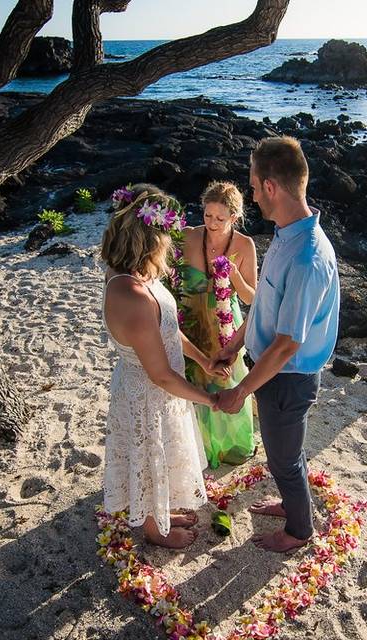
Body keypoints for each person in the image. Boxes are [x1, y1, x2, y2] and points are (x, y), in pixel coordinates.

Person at [215, 137, 340, 553]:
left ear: (271, 187)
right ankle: (291, 503)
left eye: (252, 187)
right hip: (270, 370)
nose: (250, 195)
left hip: (288, 378)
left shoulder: (307, 256)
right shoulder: (285, 234)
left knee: (285, 460)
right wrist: (236, 343)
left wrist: (240, 389)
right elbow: (266, 303)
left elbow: (287, 344)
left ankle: (299, 531)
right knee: (281, 453)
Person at [101, 183, 226, 549]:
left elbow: (168, 333)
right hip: (148, 394)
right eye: (166, 238)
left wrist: (203, 359)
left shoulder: (141, 277)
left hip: (162, 390)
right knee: (150, 455)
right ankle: (154, 530)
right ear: (150, 240)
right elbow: (159, 373)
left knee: (162, 454)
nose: (171, 245)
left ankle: (161, 510)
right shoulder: (132, 296)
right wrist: (212, 400)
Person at [178, 181, 258, 468]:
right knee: (195, 380)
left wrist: (234, 276)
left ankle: (230, 447)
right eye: (207, 215)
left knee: (228, 380)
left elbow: (252, 297)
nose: (212, 223)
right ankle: (199, 447)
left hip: (227, 325)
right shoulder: (189, 237)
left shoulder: (245, 245)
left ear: (234, 218)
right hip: (192, 321)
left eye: (220, 218)